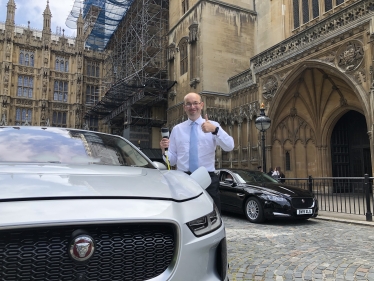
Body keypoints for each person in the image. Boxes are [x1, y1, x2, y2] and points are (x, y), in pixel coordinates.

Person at [159, 92, 234, 212]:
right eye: (188, 104)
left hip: (207, 178)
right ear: (184, 107)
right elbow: (172, 161)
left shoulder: (213, 125)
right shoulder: (177, 129)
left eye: (195, 103)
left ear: (202, 105)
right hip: (183, 178)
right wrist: (164, 151)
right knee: (186, 213)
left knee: (213, 213)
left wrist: (215, 130)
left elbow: (229, 146)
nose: (192, 107)